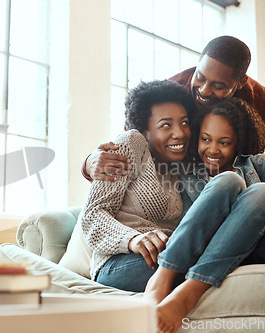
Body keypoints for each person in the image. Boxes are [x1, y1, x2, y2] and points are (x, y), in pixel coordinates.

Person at [82, 35, 265, 209]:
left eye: (218, 86)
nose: (203, 90)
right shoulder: (169, 96)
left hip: (243, 197)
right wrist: (89, 163)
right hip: (179, 199)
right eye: (200, 77)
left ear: (241, 82)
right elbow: (126, 145)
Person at [146, 97, 265, 333]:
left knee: (261, 191)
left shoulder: (260, 164)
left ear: (239, 143)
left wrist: (248, 215)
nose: (212, 150)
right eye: (205, 139)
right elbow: (196, 224)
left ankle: (189, 292)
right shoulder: (189, 174)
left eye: (224, 142)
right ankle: (160, 280)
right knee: (228, 181)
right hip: (220, 241)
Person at [80, 80, 195, 292]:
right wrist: (133, 238)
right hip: (119, 264)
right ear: (143, 131)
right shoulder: (131, 143)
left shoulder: (184, 166)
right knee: (200, 264)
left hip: (168, 255)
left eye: (185, 123)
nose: (180, 133)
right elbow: (93, 215)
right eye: (166, 125)